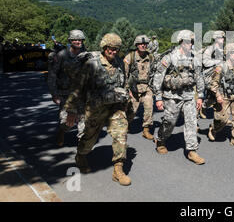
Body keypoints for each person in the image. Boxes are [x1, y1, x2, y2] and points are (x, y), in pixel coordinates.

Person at [65, 33, 132, 186]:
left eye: (116, 49)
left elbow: (124, 84)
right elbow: (78, 88)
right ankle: (81, 156)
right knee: (89, 139)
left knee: (121, 134)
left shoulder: (120, 63)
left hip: (115, 108)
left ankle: (118, 169)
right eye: (110, 48)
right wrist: (71, 110)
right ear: (104, 47)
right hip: (95, 108)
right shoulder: (92, 64)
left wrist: (126, 102)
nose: (113, 52)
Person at [153, 30, 206, 165]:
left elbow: (199, 77)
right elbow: (158, 78)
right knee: (169, 122)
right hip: (172, 96)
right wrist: (158, 98)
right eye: (188, 42)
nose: (191, 44)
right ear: (181, 42)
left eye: (192, 42)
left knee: (191, 122)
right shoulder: (170, 57)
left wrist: (200, 96)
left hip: (188, 96)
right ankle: (160, 139)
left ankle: (192, 150)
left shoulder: (195, 59)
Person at [47, 30, 87, 147]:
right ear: (70, 41)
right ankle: (62, 131)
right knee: (67, 122)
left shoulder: (86, 55)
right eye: (75, 40)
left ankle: (82, 148)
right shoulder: (62, 55)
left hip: (82, 95)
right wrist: (54, 94)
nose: (78, 42)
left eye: (80, 40)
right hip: (65, 94)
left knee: (83, 122)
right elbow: (52, 74)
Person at [207, 43, 234, 148]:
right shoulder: (221, 68)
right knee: (221, 119)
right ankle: (213, 128)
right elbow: (213, 84)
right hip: (223, 96)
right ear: (228, 54)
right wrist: (218, 96)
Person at [124, 35, 155, 140]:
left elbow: (154, 72)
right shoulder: (130, 57)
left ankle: (146, 130)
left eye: (145, 44)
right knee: (131, 111)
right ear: (136, 45)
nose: (143, 45)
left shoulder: (150, 57)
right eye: (141, 44)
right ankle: (125, 126)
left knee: (149, 108)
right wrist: (127, 90)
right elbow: (124, 75)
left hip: (146, 88)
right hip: (134, 89)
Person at [199, 30, 225, 118]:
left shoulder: (221, 50)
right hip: (208, 76)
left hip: (218, 76)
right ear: (216, 39)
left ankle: (205, 107)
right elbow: (205, 62)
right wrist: (218, 62)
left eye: (223, 37)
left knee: (214, 96)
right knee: (215, 93)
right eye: (221, 37)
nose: (223, 39)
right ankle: (200, 109)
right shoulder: (210, 49)